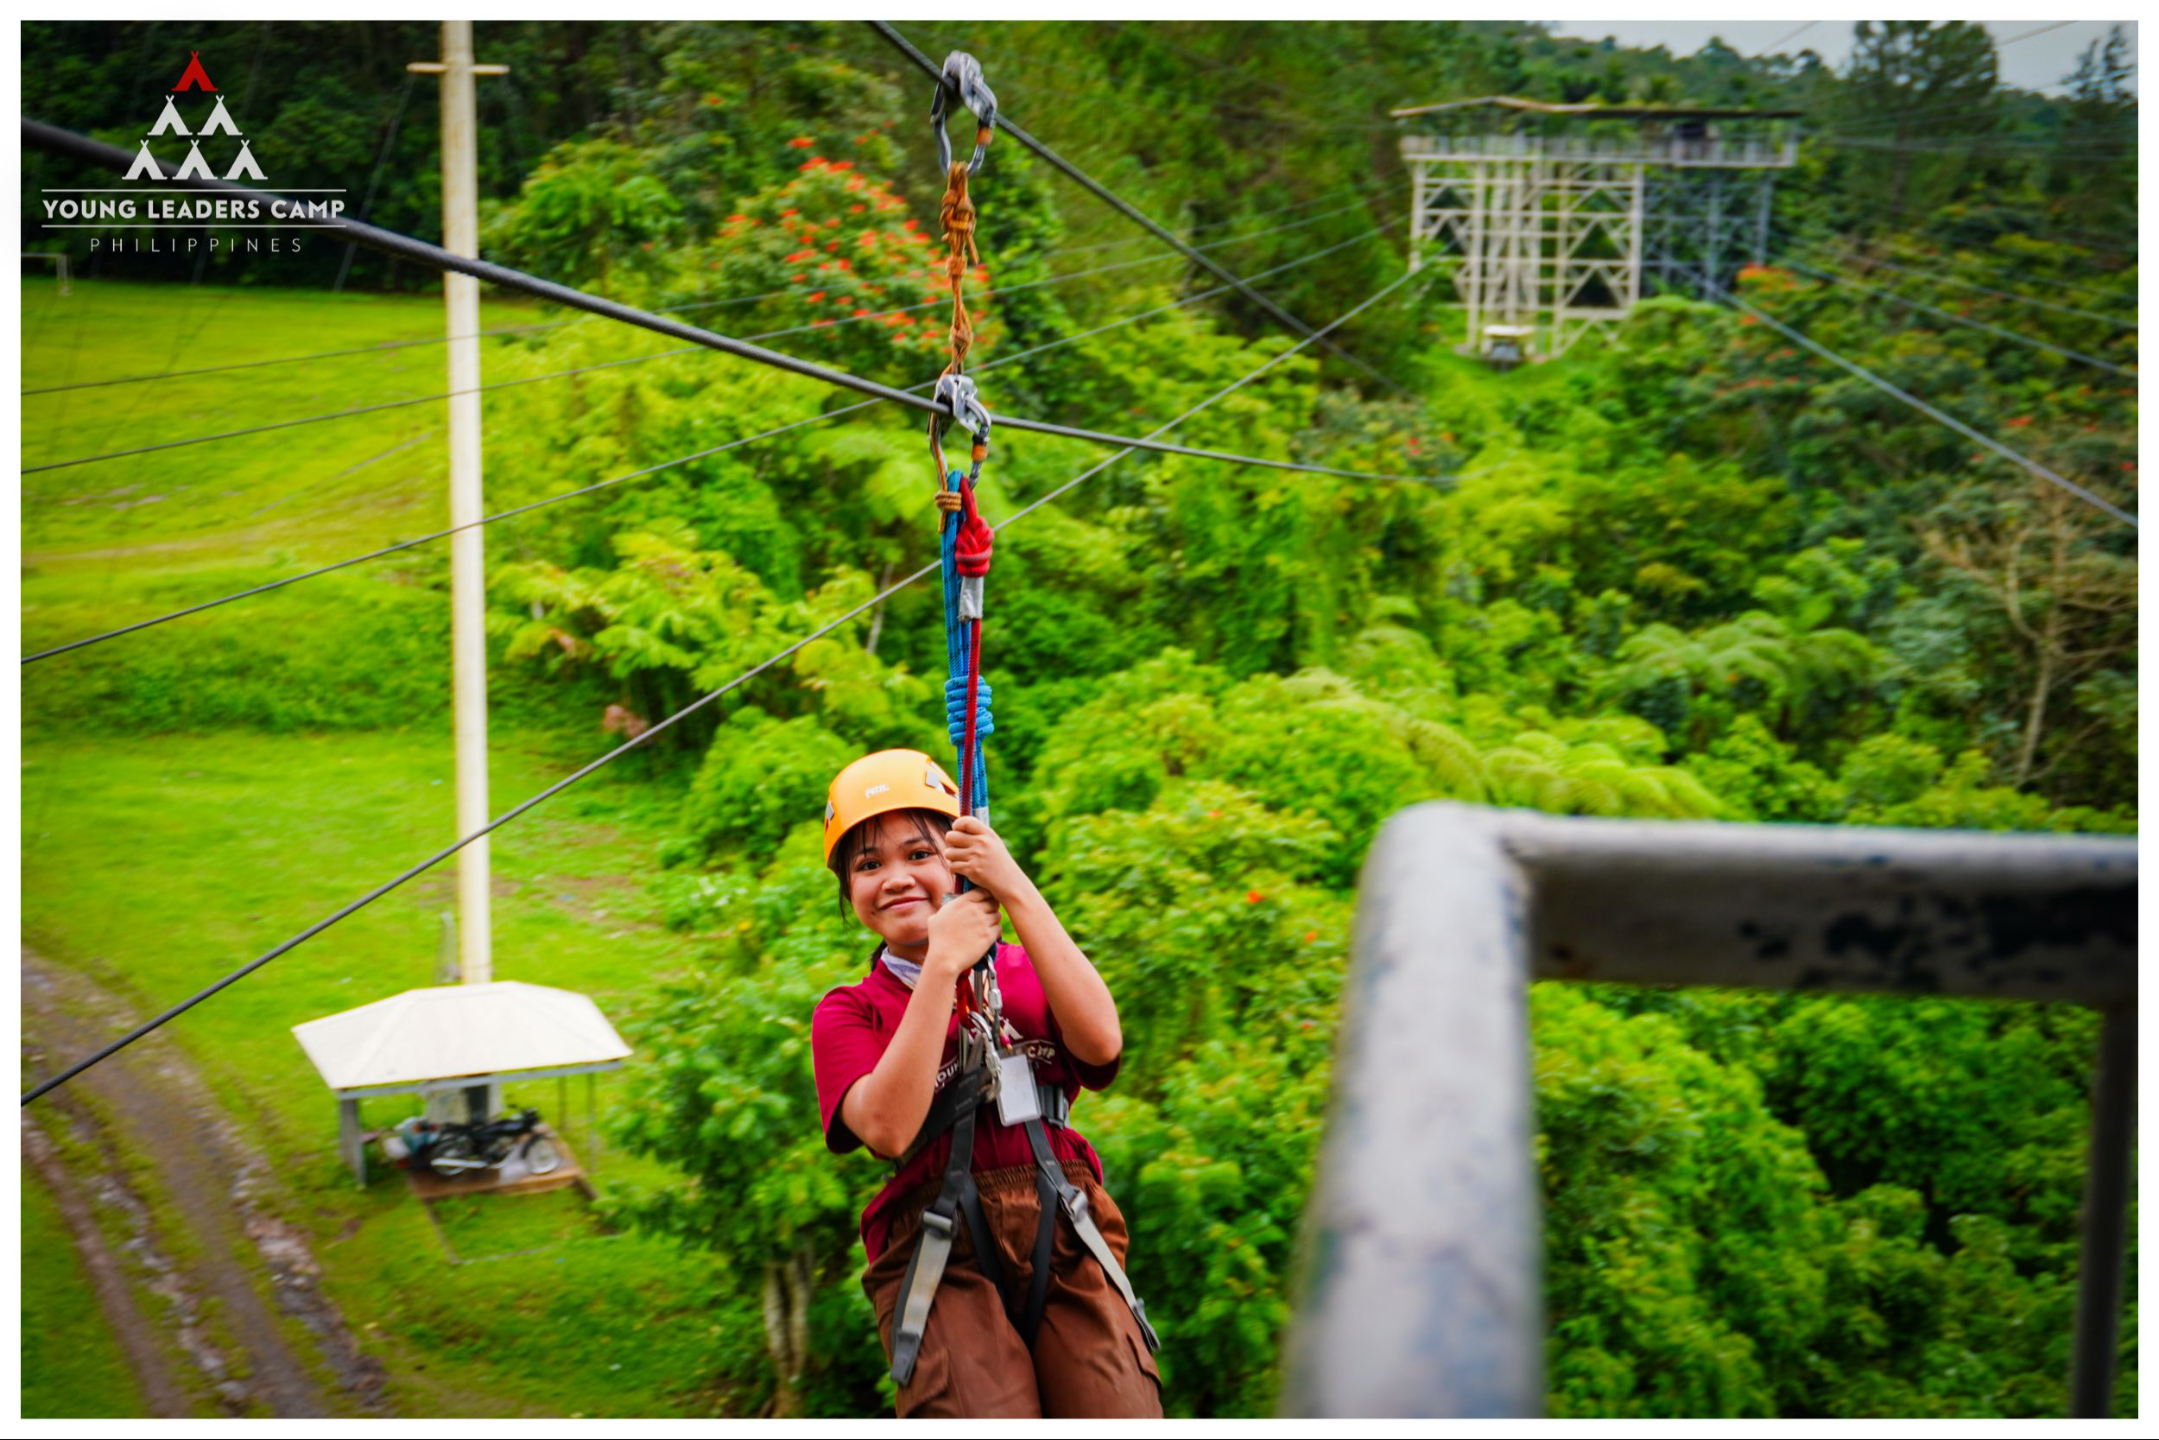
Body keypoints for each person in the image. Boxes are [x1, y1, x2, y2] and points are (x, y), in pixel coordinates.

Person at [810, 749, 1162, 1418]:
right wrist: (942, 964)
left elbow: (1101, 1044)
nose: (896, 878)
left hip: (1065, 1223)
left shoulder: (1029, 972)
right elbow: (887, 1130)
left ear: (959, 862)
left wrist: (1014, 888)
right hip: (937, 1248)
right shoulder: (850, 1012)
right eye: (868, 865)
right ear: (848, 892)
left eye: (920, 853)